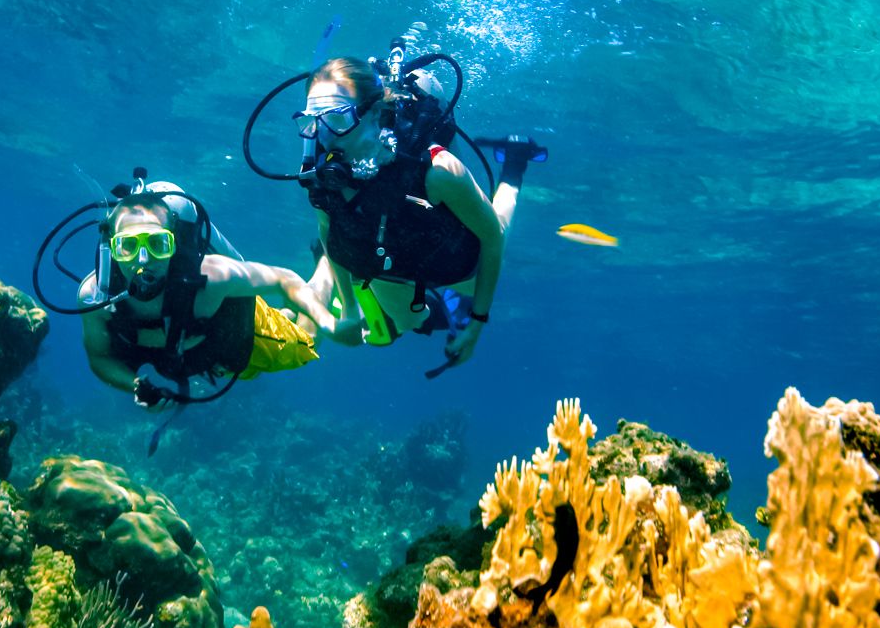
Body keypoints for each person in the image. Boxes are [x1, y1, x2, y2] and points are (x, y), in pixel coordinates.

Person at [294, 56, 543, 373]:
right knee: (407, 322)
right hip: (394, 264)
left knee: (496, 226)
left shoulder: (439, 170)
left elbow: (491, 238)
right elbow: (329, 234)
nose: (322, 138)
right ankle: (444, 311)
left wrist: (478, 323)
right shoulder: (322, 176)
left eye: (336, 120)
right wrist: (349, 310)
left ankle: (515, 163)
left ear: (375, 113)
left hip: (456, 261)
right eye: (312, 122)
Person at [72, 182, 331, 412]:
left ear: (173, 245)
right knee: (274, 337)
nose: (143, 260)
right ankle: (286, 313)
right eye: (128, 246)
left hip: (245, 336)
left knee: (306, 343)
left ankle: (327, 266)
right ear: (112, 250)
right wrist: (136, 386)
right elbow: (99, 357)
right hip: (205, 356)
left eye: (157, 244)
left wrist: (329, 321)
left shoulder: (211, 276)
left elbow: (283, 279)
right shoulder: (95, 298)